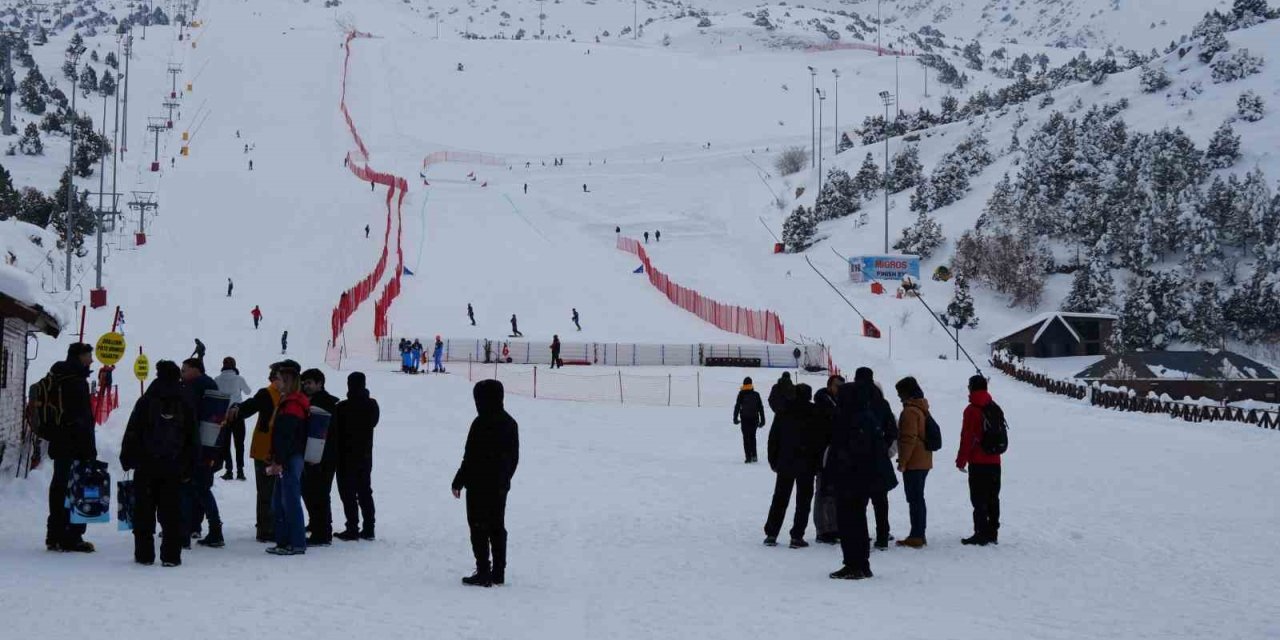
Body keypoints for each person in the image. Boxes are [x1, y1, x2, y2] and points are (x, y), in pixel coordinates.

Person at [120, 360, 196, 567]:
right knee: (171, 512)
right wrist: (189, 465)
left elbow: (133, 431)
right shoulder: (184, 402)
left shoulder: (146, 400)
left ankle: (144, 554)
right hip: (173, 466)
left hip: (146, 465)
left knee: (143, 511)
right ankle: (171, 555)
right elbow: (192, 437)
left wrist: (127, 458)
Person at [826, 379, 898, 580]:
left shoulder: (854, 419)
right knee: (855, 521)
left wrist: (841, 467)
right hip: (858, 479)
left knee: (851, 522)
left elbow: (853, 451)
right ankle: (857, 563)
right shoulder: (862, 416)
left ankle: (855, 563)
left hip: (852, 479)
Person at [452, 380, 520, 587]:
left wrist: (459, 481)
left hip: (478, 485)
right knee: (497, 527)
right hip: (499, 486)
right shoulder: (510, 422)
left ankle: (483, 571)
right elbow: (514, 458)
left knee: (479, 527)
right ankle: (498, 572)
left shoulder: (480, 423)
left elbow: (470, 456)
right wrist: (505, 479)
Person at [43, 343, 97, 553]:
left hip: (60, 442)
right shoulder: (76, 382)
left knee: (59, 487)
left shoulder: (58, 376)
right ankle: (72, 536)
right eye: (88, 356)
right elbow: (82, 419)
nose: (91, 360)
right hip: (75, 444)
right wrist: (89, 450)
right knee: (76, 490)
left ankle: (54, 534)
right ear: (79, 357)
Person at [225, 364, 282, 542]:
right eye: (281, 377)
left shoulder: (290, 394)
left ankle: (270, 525)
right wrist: (237, 409)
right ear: (274, 378)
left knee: (275, 491)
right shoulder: (267, 394)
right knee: (267, 492)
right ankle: (265, 529)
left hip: (281, 451)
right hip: (265, 451)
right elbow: (250, 405)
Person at [763, 383, 819, 548]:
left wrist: (773, 460)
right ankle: (797, 535)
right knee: (803, 501)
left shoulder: (783, 411)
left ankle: (772, 533)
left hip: (785, 461)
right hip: (807, 463)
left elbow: (773, 438)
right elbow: (820, 440)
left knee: (779, 499)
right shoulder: (814, 412)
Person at [267, 363, 310, 555]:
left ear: (288, 380)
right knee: (280, 501)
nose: (276, 381)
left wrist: (279, 460)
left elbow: (287, 435)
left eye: (278, 378)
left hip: (289, 458)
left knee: (289, 501)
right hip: (288, 457)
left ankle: (296, 542)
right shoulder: (291, 400)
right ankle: (284, 541)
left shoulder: (292, 404)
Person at [181, 358, 223, 549]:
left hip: (197, 446)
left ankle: (212, 530)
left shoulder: (194, 388)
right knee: (199, 488)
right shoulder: (210, 385)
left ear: (196, 370)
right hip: (210, 445)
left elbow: (189, 416)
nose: (182, 374)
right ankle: (199, 527)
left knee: (197, 488)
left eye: (185, 370)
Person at [854, 367, 898, 549]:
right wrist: (882, 446)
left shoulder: (852, 400)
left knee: (858, 501)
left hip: (857, 458)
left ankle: (860, 536)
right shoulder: (882, 403)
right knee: (880, 501)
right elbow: (892, 430)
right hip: (878, 458)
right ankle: (882, 536)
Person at [958, 375, 1002, 546]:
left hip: (978, 461)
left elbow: (967, 438)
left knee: (978, 499)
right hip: (995, 460)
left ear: (971, 388)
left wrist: (961, 461)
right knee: (993, 497)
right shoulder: (994, 407)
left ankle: (980, 533)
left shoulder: (971, 410)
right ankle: (992, 532)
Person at [336, 372, 380, 541]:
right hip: (365, 455)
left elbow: (337, 430)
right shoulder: (372, 405)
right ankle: (369, 528)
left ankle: (352, 527)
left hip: (345, 455)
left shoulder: (342, 407)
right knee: (365, 492)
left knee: (348, 493)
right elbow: (373, 422)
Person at [301, 369, 340, 546]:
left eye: (309, 383)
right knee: (309, 491)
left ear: (320, 384)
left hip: (324, 455)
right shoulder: (305, 400)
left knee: (320, 493)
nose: (306, 386)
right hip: (310, 454)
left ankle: (323, 532)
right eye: (304, 383)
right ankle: (317, 524)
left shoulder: (327, 403)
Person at [894, 376, 933, 548]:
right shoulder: (923, 408)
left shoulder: (910, 411)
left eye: (899, 393)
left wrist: (903, 461)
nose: (898, 397)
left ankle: (916, 535)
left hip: (914, 461)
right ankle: (919, 533)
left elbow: (908, 438)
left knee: (914, 498)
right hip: (924, 459)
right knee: (918, 498)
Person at [812, 374, 843, 544]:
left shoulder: (838, 404)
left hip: (834, 455)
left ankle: (833, 527)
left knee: (833, 494)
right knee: (822, 493)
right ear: (830, 386)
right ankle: (823, 529)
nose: (839, 390)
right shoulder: (823, 405)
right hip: (823, 455)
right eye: (837, 386)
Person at [215, 357, 253, 481]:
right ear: (234, 365)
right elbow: (248, 391)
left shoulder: (217, 379)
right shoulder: (239, 379)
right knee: (239, 444)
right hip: (237, 414)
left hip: (223, 416)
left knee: (225, 444)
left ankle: (229, 470)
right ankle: (240, 471)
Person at [732, 377, 765, 463]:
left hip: (745, 419)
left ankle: (748, 457)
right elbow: (760, 408)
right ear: (751, 384)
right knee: (752, 437)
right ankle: (754, 455)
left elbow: (737, 406)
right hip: (755, 419)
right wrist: (763, 420)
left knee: (746, 438)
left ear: (744, 384)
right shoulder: (756, 394)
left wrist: (735, 418)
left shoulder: (741, 394)